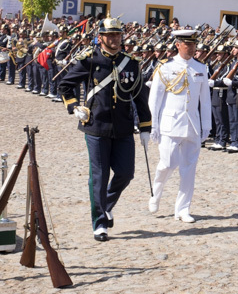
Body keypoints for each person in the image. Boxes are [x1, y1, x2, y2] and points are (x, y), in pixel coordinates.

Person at [58, 17, 151, 242]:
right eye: (110, 36)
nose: (115, 39)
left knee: (126, 173)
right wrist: (73, 106)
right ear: (101, 38)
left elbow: (139, 95)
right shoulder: (89, 60)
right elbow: (64, 85)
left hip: (123, 127)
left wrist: (146, 126)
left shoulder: (130, 63)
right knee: (99, 175)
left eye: (118, 35)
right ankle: (99, 222)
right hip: (96, 125)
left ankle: (106, 204)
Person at [147, 30, 212, 223]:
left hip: (192, 124)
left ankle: (183, 209)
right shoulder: (166, 67)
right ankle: (156, 193)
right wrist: (154, 124)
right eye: (187, 45)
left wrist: (206, 124)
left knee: (188, 169)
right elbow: (155, 98)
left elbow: (205, 100)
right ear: (178, 45)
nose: (191, 48)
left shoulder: (200, 68)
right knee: (167, 163)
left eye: (193, 45)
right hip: (170, 123)